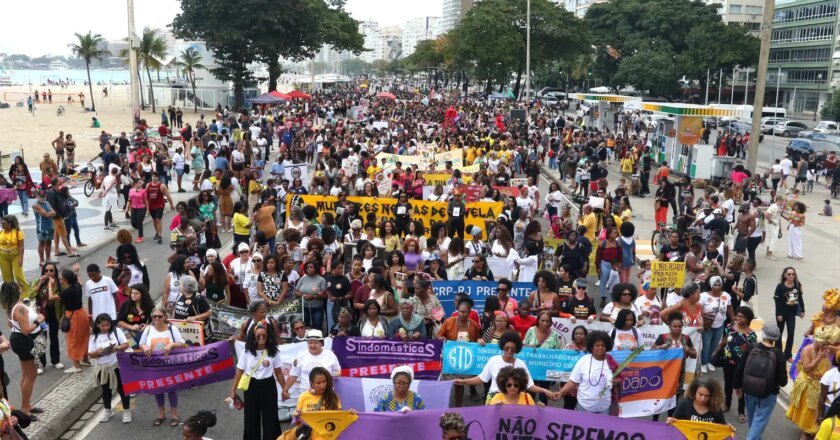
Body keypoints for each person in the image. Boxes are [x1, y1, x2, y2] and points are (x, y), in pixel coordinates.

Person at [454, 331, 554, 404]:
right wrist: (463, 382)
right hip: (494, 399)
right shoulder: (494, 360)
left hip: (513, 400)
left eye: (512, 349)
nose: (509, 351)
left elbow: (529, 385)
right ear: (502, 347)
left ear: (517, 350)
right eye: (507, 348)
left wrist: (544, 390)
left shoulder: (521, 364)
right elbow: (482, 378)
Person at [231, 320, 285, 440]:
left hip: (268, 385)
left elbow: (279, 372)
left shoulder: (273, 351)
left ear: (268, 336)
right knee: (251, 417)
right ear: (253, 337)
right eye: (258, 335)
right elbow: (239, 371)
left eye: (264, 335)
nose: (261, 338)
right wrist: (233, 391)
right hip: (251, 386)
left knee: (270, 417)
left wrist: (285, 389)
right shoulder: (247, 352)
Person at [733, 322, 789, 440]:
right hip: (768, 395)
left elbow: (739, 368)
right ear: (776, 337)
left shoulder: (752, 347)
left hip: (749, 391)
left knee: (754, 425)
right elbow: (783, 382)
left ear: (763, 333)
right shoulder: (778, 354)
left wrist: (737, 387)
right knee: (757, 425)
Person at [1, 282, 45, 417]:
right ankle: (25, 408)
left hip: (19, 339)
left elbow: (10, 324)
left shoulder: (13, 306)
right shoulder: (19, 308)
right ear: (17, 290)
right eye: (19, 286)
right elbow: (26, 330)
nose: (22, 287)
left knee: (26, 375)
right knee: (31, 375)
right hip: (23, 341)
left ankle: (27, 405)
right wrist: (38, 320)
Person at [139, 306, 188, 427]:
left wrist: (171, 345)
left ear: (165, 317)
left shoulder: (172, 328)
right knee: (158, 389)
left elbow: (182, 344)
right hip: (154, 366)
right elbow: (141, 343)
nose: (157, 318)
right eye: (154, 316)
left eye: (159, 316)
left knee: (172, 389)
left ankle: (174, 415)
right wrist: (145, 347)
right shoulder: (148, 329)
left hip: (170, 365)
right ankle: (161, 414)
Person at [787, 326, 838, 440]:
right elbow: (807, 368)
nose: (826, 347)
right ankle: (804, 432)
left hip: (819, 384)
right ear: (817, 341)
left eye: (827, 344)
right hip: (808, 384)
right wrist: (819, 357)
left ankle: (811, 429)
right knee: (808, 410)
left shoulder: (824, 349)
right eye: (824, 344)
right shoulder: (807, 350)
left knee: (816, 410)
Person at [558, 330, 621, 415]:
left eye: (603, 345)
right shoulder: (583, 360)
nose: (600, 348)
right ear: (591, 347)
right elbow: (573, 382)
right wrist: (560, 393)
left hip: (605, 408)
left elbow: (620, 377)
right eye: (597, 345)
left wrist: (616, 381)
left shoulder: (611, 362)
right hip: (584, 406)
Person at [714, 306, 756, 424]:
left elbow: (753, 351)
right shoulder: (730, 327)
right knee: (727, 384)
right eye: (737, 316)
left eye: (742, 317)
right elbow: (725, 339)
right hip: (727, 362)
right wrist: (717, 350)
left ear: (748, 319)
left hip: (741, 365)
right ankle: (727, 404)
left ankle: (741, 411)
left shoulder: (751, 334)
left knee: (739, 387)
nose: (738, 318)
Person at [87, 313, 131, 423]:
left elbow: (126, 344)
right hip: (102, 367)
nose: (106, 327)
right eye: (103, 325)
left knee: (122, 389)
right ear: (98, 325)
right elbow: (91, 354)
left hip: (116, 365)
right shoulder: (93, 337)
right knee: (106, 390)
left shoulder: (116, 331)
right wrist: (98, 352)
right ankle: (108, 410)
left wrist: (116, 348)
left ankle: (126, 410)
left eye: (107, 325)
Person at [48, 267, 90, 373]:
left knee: (73, 340)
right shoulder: (77, 286)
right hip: (82, 313)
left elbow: (51, 297)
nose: (59, 279)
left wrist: (50, 285)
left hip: (73, 316)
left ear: (64, 280)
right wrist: (77, 271)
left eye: (61, 277)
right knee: (84, 337)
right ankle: (85, 359)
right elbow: (81, 282)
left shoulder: (67, 291)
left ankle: (77, 366)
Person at [281, 330, 341, 403]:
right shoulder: (301, 356)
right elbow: (293, 375)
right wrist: (285, 390)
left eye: (316, 342)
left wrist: (328, 375)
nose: (312, 345)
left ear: (322, 343)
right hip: (306, 397)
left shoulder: (330, 355)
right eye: (310, 342)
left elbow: (338, 371)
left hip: (326, 396)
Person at [294, 367, 351, 440]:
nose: (322, 385)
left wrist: (349, 414)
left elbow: (339, 420)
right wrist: (297, 416)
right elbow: (298, 424)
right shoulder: (303, 397)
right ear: (312, 383)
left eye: (324, 381)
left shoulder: (333, 397)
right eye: (318, 383)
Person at [699, 275, 735, 374]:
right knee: (706, 345)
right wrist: (703, 315)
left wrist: (733, 320)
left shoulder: (726, 295)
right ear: (711, 285)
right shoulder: (704, 296)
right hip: (707, 325)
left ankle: (710, 362)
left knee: (715, 345)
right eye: (715, 285)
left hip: (720, 325)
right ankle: (704, 363)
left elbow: (729, 308)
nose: (718, 287)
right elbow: (698, 309)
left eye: (719, 285)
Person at [775, 266, 806, 362]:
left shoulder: (797, 285)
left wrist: (802, 310)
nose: (791, 276)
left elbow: (800, 298)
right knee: (779, 333)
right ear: (785, 275)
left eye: (793, 274)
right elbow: (777, 301)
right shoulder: (780, 286)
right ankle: (778, 353)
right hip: (781, 312)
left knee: (791, 333)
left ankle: (788, 354)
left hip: (791, 313)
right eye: (789, 274)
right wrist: (778, 314)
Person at [172, 276, 211, 342]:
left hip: (196, 334)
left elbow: (209, 313)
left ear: (186, 287)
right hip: (182, 333)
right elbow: (176, 310)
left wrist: (195, 318)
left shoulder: (199, 299)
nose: (179, 286)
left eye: (181, 284)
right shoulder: (180, 296)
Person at [0, 216, 27, 295]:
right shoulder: (1, 232)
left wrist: (21, 258)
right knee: (7, 277)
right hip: (3, 256)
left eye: (3, 223)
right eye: (1, 223)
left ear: (10, 224)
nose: (1, 225)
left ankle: (25, 294)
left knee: (18, 275)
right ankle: (11, 295)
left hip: (15, 256)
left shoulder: (18, 233)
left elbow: (21, 247)